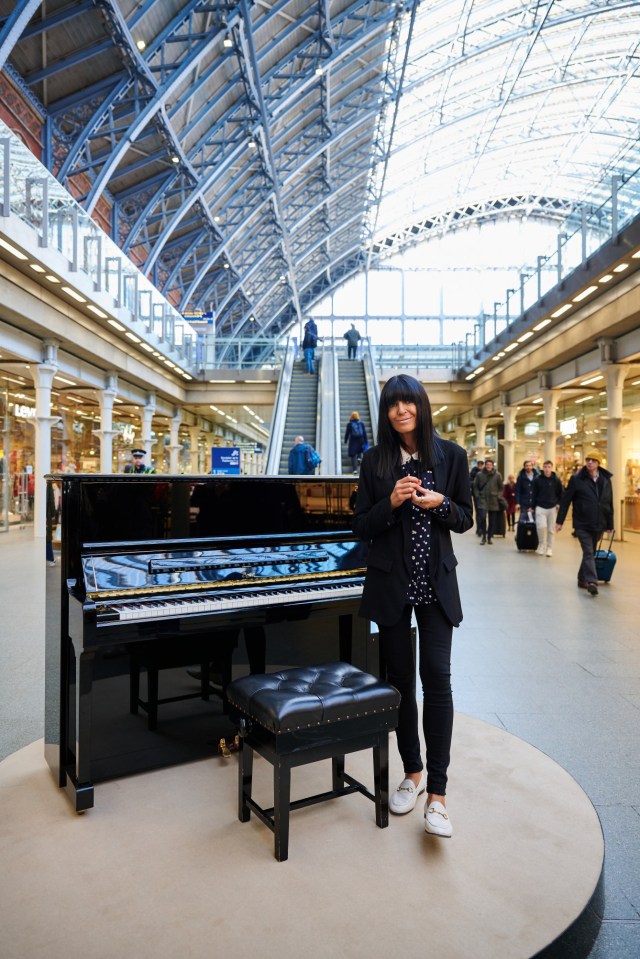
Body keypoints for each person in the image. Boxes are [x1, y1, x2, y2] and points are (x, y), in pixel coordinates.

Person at [353, 374, 472, 838]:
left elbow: (465, 519)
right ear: (386, 413)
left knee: (437, 680)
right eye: (392, 404)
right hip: (392, 588)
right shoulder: (374, 461)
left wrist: (441, 504)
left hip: (436, 586)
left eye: (409, 402)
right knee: (400, 682)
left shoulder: (451, 457)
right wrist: (392, 502)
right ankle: (413, 774)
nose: (401, 410)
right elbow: (360, 526)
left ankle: (438, 795)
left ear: (421, 407)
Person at [555, 450, 613, 596]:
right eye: (587, 460)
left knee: (590, 552)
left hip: (599, 523)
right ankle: (592, 581)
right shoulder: (577, 479)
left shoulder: (605, 480)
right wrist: (559, 521)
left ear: (599, 463)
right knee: (588, 551)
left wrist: (610, 525)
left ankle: (582, 579)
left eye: (593, 460)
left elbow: (608, 503)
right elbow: (566, 500)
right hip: (582, 523)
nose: (590, 462)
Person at [532, 460, 563, 556]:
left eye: (549, 467)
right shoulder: (537, 479)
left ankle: (549, 548)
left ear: (552, 468)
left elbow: (561, 493)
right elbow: (533, 493)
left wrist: (558, 503)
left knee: (550, 529)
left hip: (552, 507)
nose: (547, 469)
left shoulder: (556, 480)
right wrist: (533, 506)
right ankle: (541, 545)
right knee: (540, 526)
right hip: (540, 507)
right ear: (542, 468)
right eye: (545, 467)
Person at [473, 458, 503, 544]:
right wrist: (477, 495)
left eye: (490, 465)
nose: (489, 466)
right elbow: (475, 486)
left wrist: (498, 495)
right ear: (485, 466)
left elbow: (501, 488)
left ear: (492, 466)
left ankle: (489, 537)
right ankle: (483, 537)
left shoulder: (497, 475)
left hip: (493, 500)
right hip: (482, 499)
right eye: (487, 465)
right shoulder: (479, 474)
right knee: (482, 518)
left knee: (492, 521)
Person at [469, 459, 484, 536]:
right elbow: (470, 482)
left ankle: (483, 528)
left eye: (482, 465)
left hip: (485, 496)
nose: (481, 467)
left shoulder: (486, 472)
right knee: (479, 513)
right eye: (479, 465)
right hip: (477, 496)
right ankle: (479, 528)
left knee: (483, 514)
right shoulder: (473, 473)